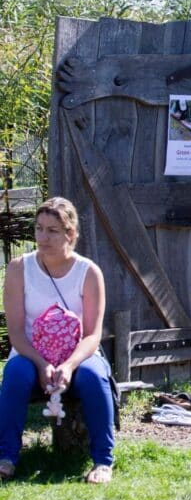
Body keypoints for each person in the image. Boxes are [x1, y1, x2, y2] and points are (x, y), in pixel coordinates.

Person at [0, 197, 113, 484]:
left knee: (93, 377)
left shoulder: (89, 272)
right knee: (14, 374)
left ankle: (103, 461)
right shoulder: (18, 269)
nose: (42, 237)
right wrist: (40, 363)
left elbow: (92, 335)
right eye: (39, 228)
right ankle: (6, 457)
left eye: (52, 231)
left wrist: (69, 364)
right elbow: (15, 332)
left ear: (70, 234)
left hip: (79, 355)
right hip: (29, 353)